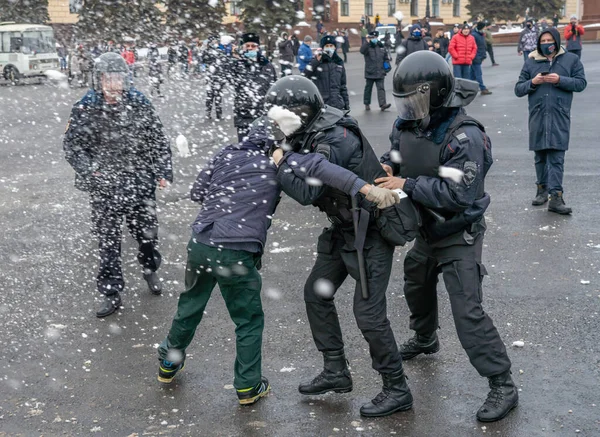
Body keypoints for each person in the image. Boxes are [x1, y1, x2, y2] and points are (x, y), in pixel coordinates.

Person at [156, 119, 399, 404]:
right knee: (247, 320)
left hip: (201, 242)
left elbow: (198, 192)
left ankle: (168, 362)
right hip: (237, 249)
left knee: (190, 304)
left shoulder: (226, 153)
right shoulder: (279, 160)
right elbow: (323, 170)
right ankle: (247, 386)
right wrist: (366, 189)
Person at [267, 75, 420, 418]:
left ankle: (397, 388)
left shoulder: (334, 137)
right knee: (316, 293)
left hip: (372, 233)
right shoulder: (311, 130)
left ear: (300, 112)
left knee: (368, 313)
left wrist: (278, 163)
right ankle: (336, 370)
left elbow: (308, 191)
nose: (277, 125)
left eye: (281, 117)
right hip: (344, 229)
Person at [377, 50, 518, 423]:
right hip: (427, 229)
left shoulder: (465, 136)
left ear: (434, 93)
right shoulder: (407, 124)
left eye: (414, 100)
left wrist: (406, 182)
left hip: (459, 233)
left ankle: (502, 383)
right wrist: (386, 165)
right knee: (416, 282)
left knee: (467, 312)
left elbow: (460, 195)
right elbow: (394, 154)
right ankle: (425, 338)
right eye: (403, 101)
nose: (407, 108)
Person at [63, 53, 173, 318]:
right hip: (105, 186)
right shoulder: (85, 107)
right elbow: (73, 146)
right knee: (108, 242)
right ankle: (111, 291)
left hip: (139, 181)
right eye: (109, 78)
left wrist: (162, 170)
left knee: (146, 235)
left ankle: (150, 269)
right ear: (98, 79)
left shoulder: (139, 103)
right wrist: (91, 171)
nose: (115, 84)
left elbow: (157, 138)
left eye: (119, 78)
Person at [514, 27, 586, 214]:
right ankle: (542, 190)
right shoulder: (531, 62)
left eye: (550, 40)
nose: (547, 44)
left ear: (556, 40)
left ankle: (556, 197)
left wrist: (560, 80)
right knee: (540, 156)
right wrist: (533, 82)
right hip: (537, 115)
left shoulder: (571, 59)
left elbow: (580, 83)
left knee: (556, 157)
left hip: (559, 115)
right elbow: (518, 88)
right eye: (543, 41)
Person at [231, 33, 278, 141]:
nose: (250, 48)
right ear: (243, 48)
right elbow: (226, 77)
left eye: (253, 46)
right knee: (245, 151)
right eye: (247, 46)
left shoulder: (267, 66)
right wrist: (236, 59)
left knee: (264, 152)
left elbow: (275, 89)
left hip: (263, 116)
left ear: (258, 48)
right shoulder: (237, 65)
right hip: (244, 116)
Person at [304, 35, 349, 111]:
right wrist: (316, 61)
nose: (329, 48)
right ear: (323, 48)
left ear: (335, 47)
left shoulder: (339, 63)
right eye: (327, 46)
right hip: (322, 105)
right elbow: (305, 75)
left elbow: (343, 86)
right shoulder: (317, 61)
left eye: (331, 45)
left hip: (337, 105)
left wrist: (346, 105)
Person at [360, 31, 392, 111]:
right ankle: (366, 103)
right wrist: (367, 42)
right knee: (368, 88)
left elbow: (385, 58)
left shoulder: (381, 46)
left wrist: (386, 66)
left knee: (381, 88)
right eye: (372, 38)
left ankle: (382, 104)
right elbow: (362, 51)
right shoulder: (367, 47)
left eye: (375, 38)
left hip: (380, 71)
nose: (374, 39)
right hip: (370, 71)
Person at [202, 35, 229, 120]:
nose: (215, 43)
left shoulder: (219, 51)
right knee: (210, 96)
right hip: (211, 76)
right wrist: (206, 71)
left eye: (216, 41)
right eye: (213, 41)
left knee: (217, 97)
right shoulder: (207, 51)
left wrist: (224, 75)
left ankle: (218, 114)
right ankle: (208, 113)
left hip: (218, 77)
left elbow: (224, 64)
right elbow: (203, 63)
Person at [471, 22, 492, 95]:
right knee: (478, 74)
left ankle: (469, 88)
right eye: (484, 28)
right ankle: (483, 89)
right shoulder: (474, 35)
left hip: (479, 57)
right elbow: (474, 48)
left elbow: (482, 46)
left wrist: (483, 56)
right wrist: (477, 57)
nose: (485, 29)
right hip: (476, 58)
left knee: (472, 75)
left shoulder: (481, 35)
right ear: (481, 28)